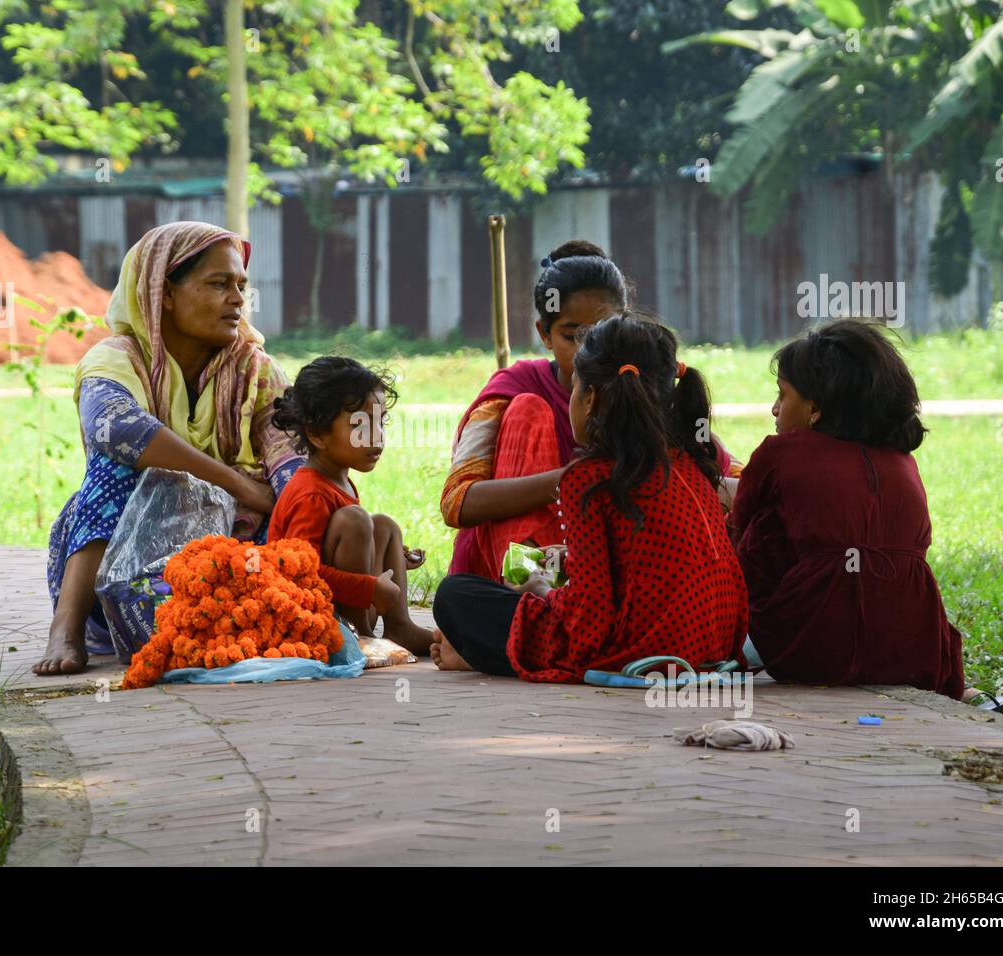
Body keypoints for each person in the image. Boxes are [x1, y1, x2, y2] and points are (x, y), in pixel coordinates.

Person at [34, 221, 302, 676]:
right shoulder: (116, 358)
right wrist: (235, 481)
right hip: (123, 577)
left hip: (223, 566)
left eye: (241, 285)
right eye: (219, 284)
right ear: (165, 293)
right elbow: (116, 429)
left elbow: (290, 457)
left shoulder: (256, 370)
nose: (238, 299)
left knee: (296, 498)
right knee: (113, 466)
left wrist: (335, 522)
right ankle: (67, 627)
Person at [431, 313, 749, 681]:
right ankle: (484, 649)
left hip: (641, 650)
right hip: (714, 645)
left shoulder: (588, 478)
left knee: (456, 596)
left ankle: (483, 654)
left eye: (575, 389)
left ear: (590, 398)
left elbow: (589, 622)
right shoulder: (692, 465)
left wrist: (540, 593)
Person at [729, 319, 965, 698]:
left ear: (815, 408)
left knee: (765, 526)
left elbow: (737, 528)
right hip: (916, 648)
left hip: (816, 648)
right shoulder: (902, 457)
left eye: (782, 395)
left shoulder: (780, 452)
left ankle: (725, 645)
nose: (774, 409)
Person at [440, 240, 626, 581]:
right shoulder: (515, 389)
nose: (590, 351)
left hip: (598, 573)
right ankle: (531, 598)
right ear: (545, 334)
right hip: (511, 577)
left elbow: (721, 477)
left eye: (602, 334)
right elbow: (457, 502)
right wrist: (571, 478)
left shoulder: (640, 387)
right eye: (573, 336)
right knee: (529, 411)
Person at [268, 357, 434, 655]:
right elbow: (299, 574)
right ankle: (360, 636)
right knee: (357, 520)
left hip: (341, 602)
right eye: (361, 425)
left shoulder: (337, 480)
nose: (377, 436)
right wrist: (369, 588)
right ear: (317, 434)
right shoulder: (310, 494)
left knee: (383, 525)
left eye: (380, 423)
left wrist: (391, 555)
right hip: (308, 618)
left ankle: (400, 627)